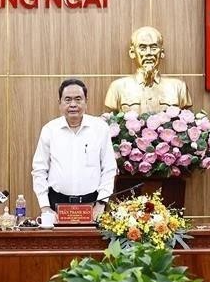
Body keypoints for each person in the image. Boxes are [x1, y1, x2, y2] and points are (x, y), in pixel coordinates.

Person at [32, 79, 117, 220]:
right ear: (59, 102)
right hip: (57, 205)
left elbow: (109, 168)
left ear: (86, 101)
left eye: (78, 99)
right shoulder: (50, 130)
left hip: (92, 205)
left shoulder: (100, 128)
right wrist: (45, 207)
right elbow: (39, 170)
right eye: (68, 100)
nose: (73, 104)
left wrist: (101, 203)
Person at [105, 26, 193, 114]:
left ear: (162, 53)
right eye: (142, 48)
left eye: (153, 48)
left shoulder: (178, 87)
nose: (148, 53)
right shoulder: (117, 87)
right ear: (132, 53)